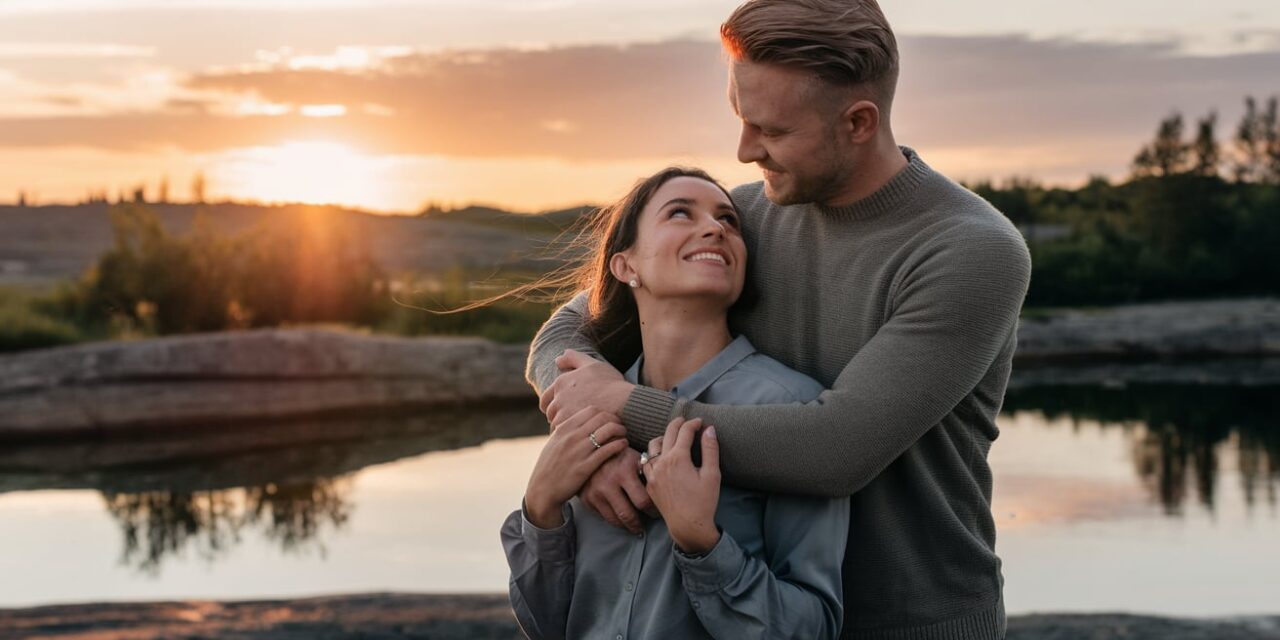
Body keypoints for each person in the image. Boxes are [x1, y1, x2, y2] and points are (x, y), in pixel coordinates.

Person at [527, 1, 1032, 639]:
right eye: (741, 119)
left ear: (857, 122)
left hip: (908, 622)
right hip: (745, 612)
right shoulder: (740, 220)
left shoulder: (967, 250)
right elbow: (567, 331)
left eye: (771, 130)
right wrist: (593, 438)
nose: (743, 152)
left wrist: (626, 408)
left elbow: (835, 451)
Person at [501, 167, 848, 639]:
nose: (715, 228)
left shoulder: (792, 407)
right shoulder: (585, 411)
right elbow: (550, 625)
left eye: (729, 221)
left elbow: (814, 629)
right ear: (625, 266)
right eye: (680, 212)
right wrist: (540, 509)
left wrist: (703, 544)